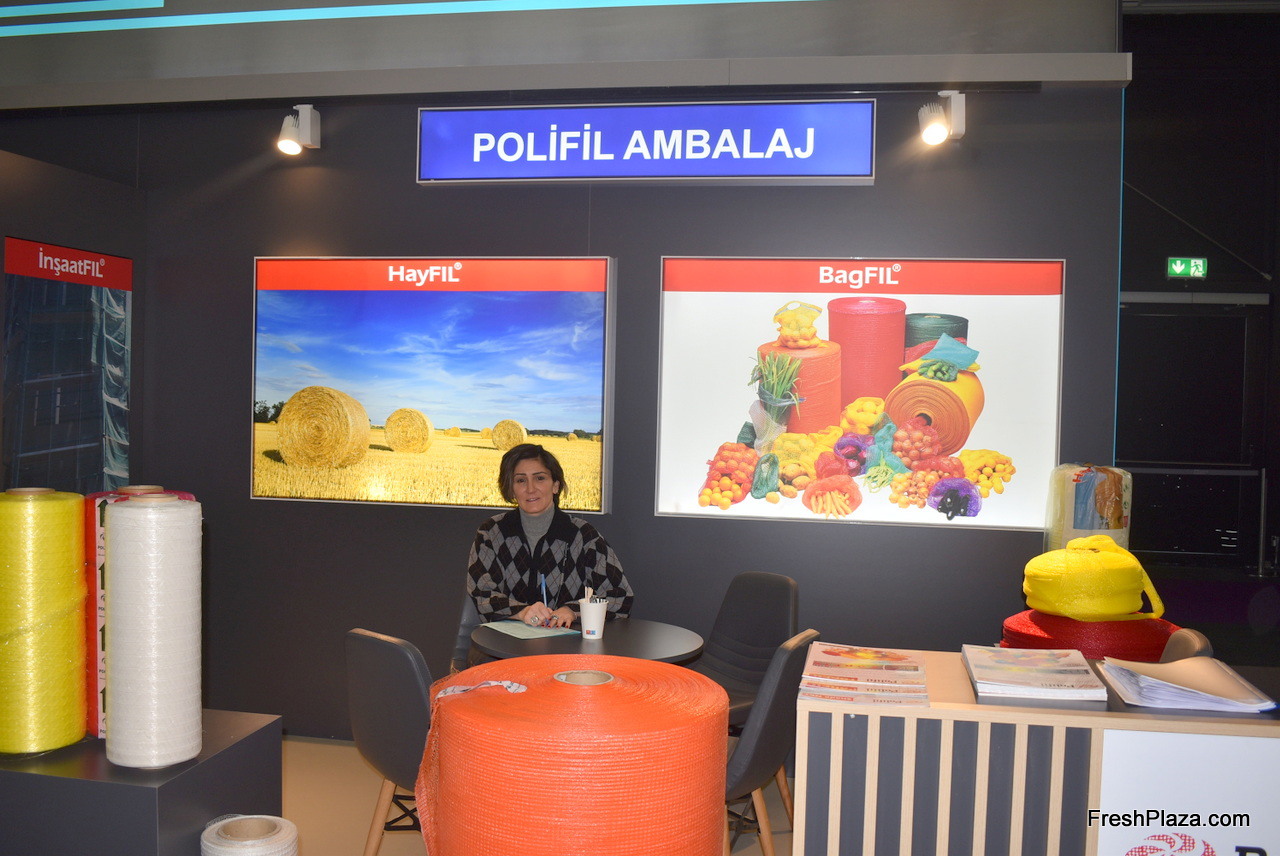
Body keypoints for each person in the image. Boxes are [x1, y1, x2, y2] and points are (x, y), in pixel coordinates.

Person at [466, 443, 633, 629]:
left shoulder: (583, 535)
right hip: (505, 641)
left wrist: (573, 610)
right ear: (511, 489)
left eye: (540, 478)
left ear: (555, 485)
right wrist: (522, 612)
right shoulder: (491, 532)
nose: (530, 489)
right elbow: (481, 593)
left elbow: (620, 596)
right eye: (520, 480)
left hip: (566, 643)